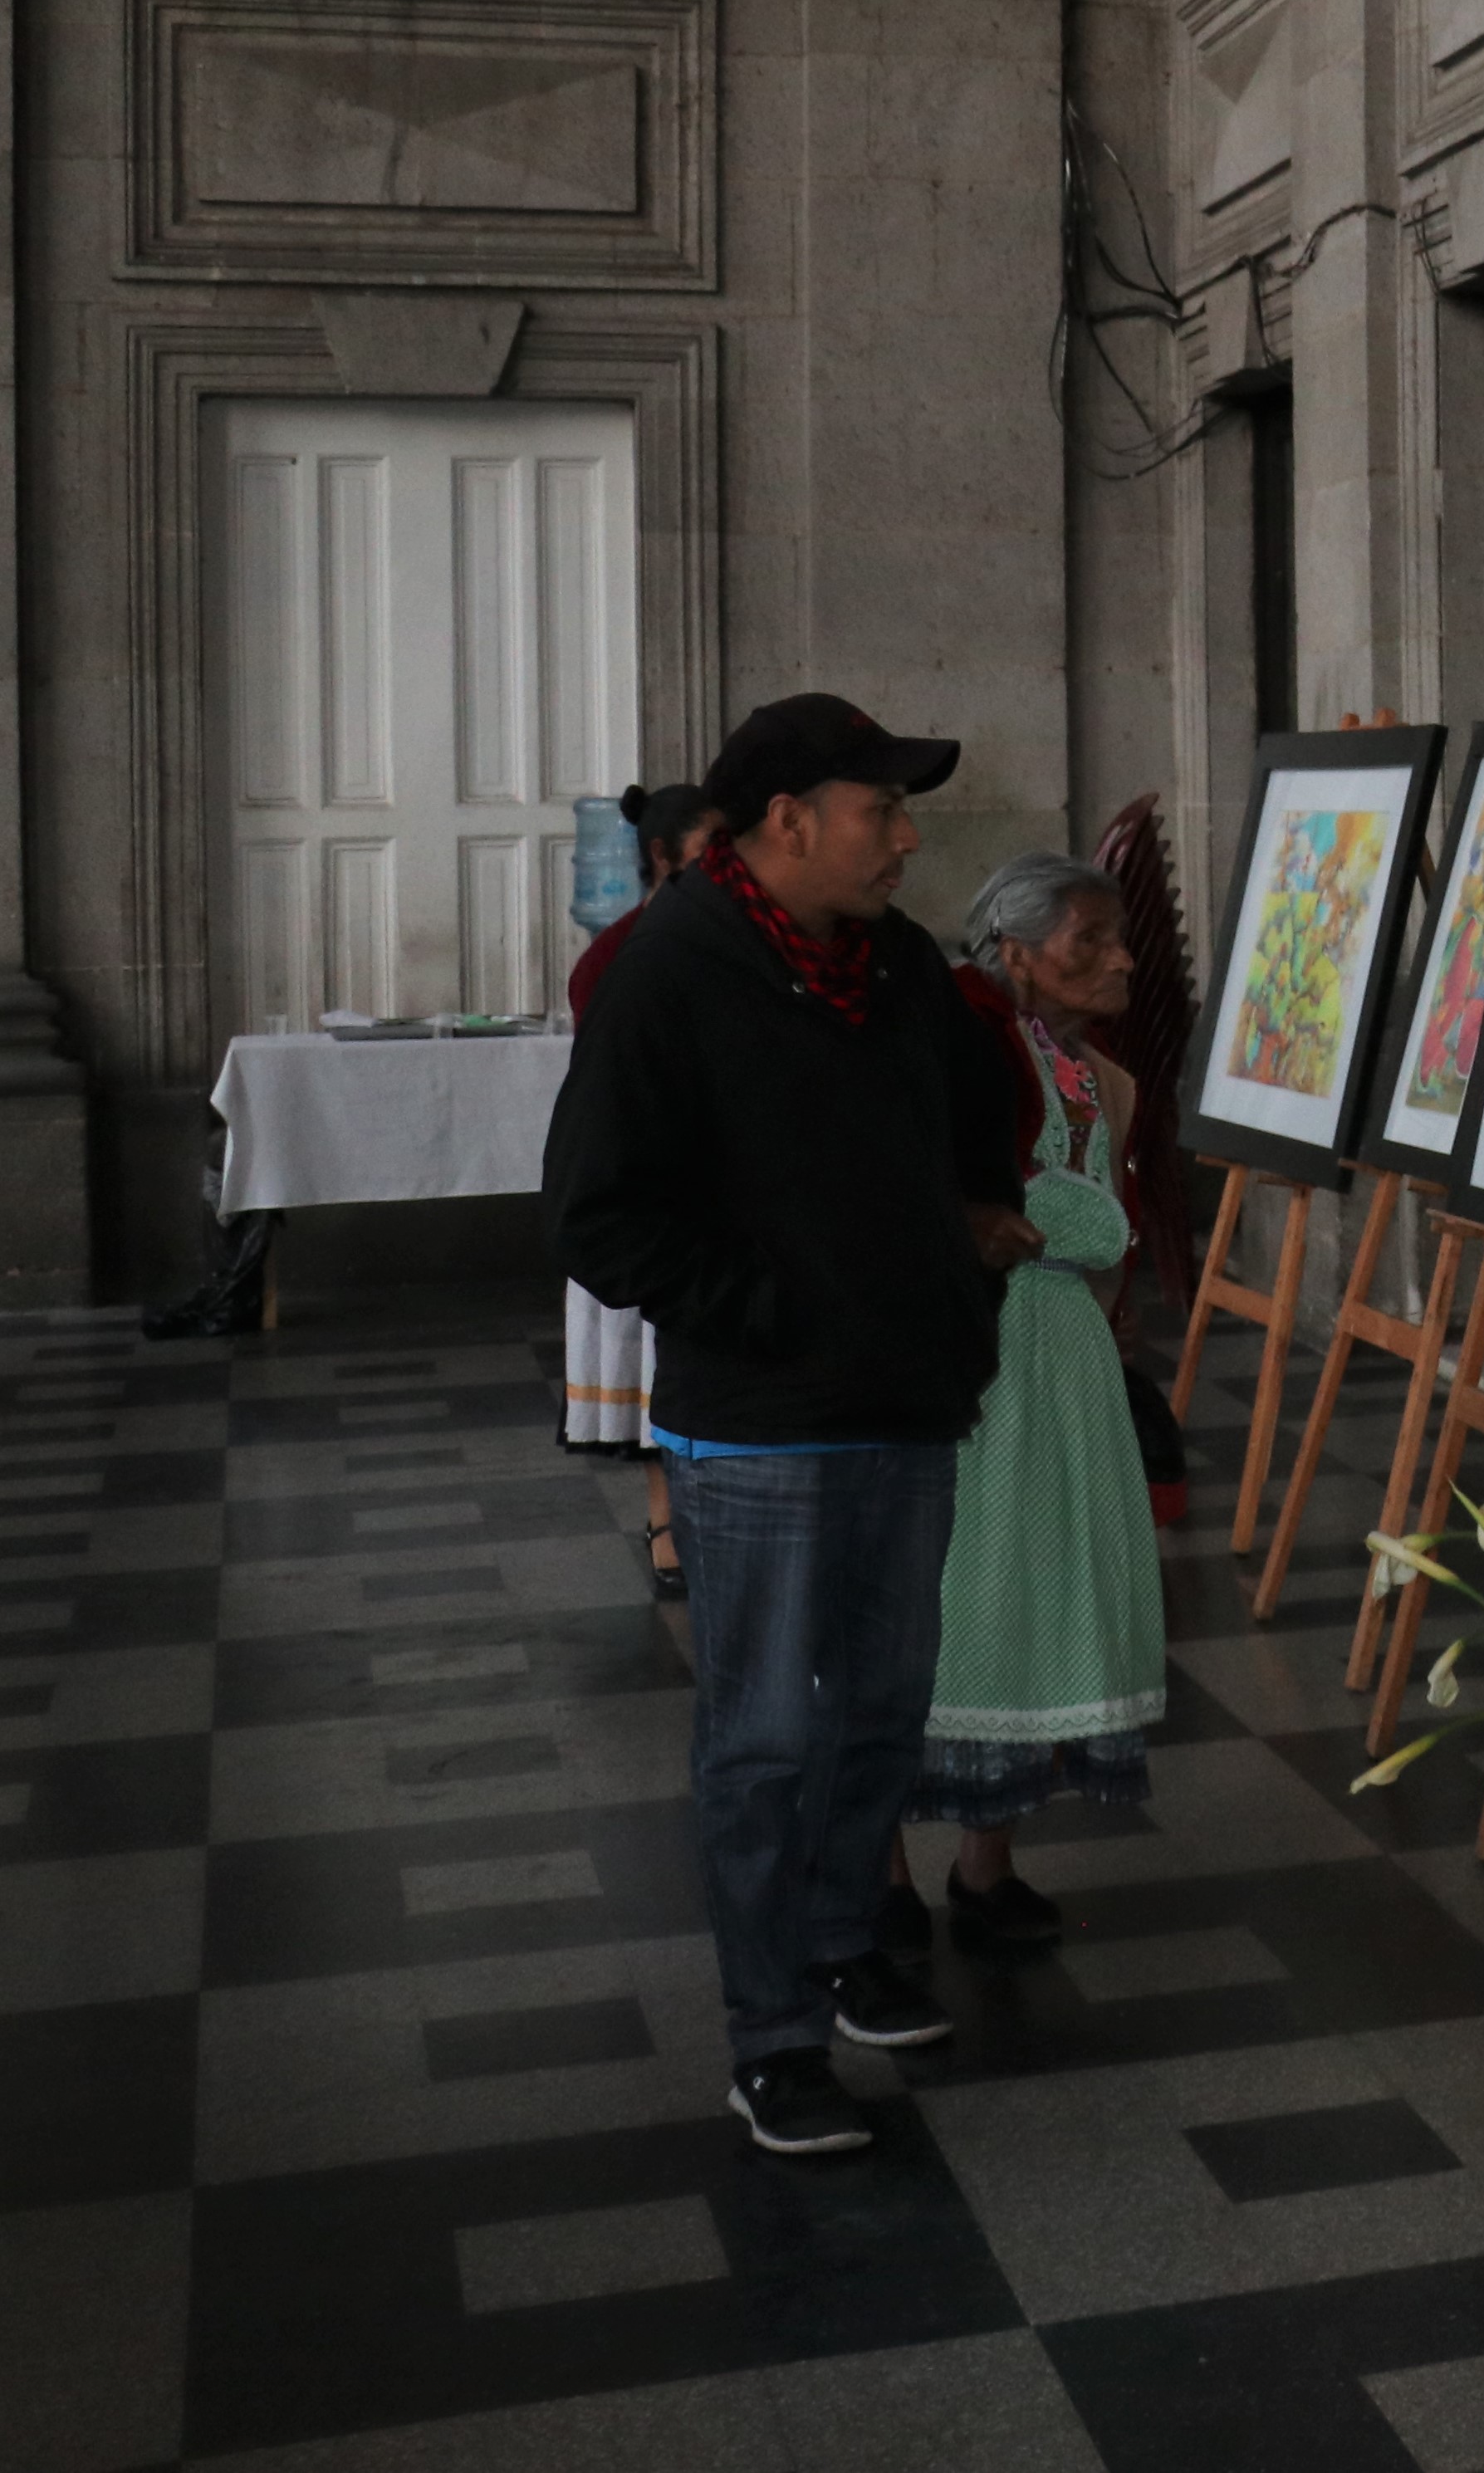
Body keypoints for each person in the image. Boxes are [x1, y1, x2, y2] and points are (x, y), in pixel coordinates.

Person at [544, 694, 1041, 2159]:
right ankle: (770, 2034)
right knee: (763, 1734)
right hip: (760, 1420)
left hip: (901, 1398)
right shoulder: (670, 972)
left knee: (883, 1704)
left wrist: (954, 1249)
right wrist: (768, 1307)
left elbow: (969, 1128)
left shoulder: (891, 964)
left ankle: (841, 1950)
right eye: (878, 806)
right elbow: (597, 1212)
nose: (904, 833)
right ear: (783, 823)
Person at [899, 854, 1168, 1950]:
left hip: (1061, 1360)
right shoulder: (961, 1047)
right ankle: (880, 1879)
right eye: (1089, 939)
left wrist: (1099, 1249)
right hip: (986, 1352)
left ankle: (986, 1863)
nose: (1120, 958)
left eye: (1118, 938)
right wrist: (1092, 1228)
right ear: (1015, 951)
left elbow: (1089, 1212)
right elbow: (1022, 1200)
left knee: (1042, 1583)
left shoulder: (1084, 1064)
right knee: (964, 1588)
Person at [560, 783, 728, 1600]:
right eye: (710, 851)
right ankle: (666, 1514)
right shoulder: (620, 952)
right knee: (650, 1365)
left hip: (711, 1188)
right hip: (652, 1186)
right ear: (662, 859)